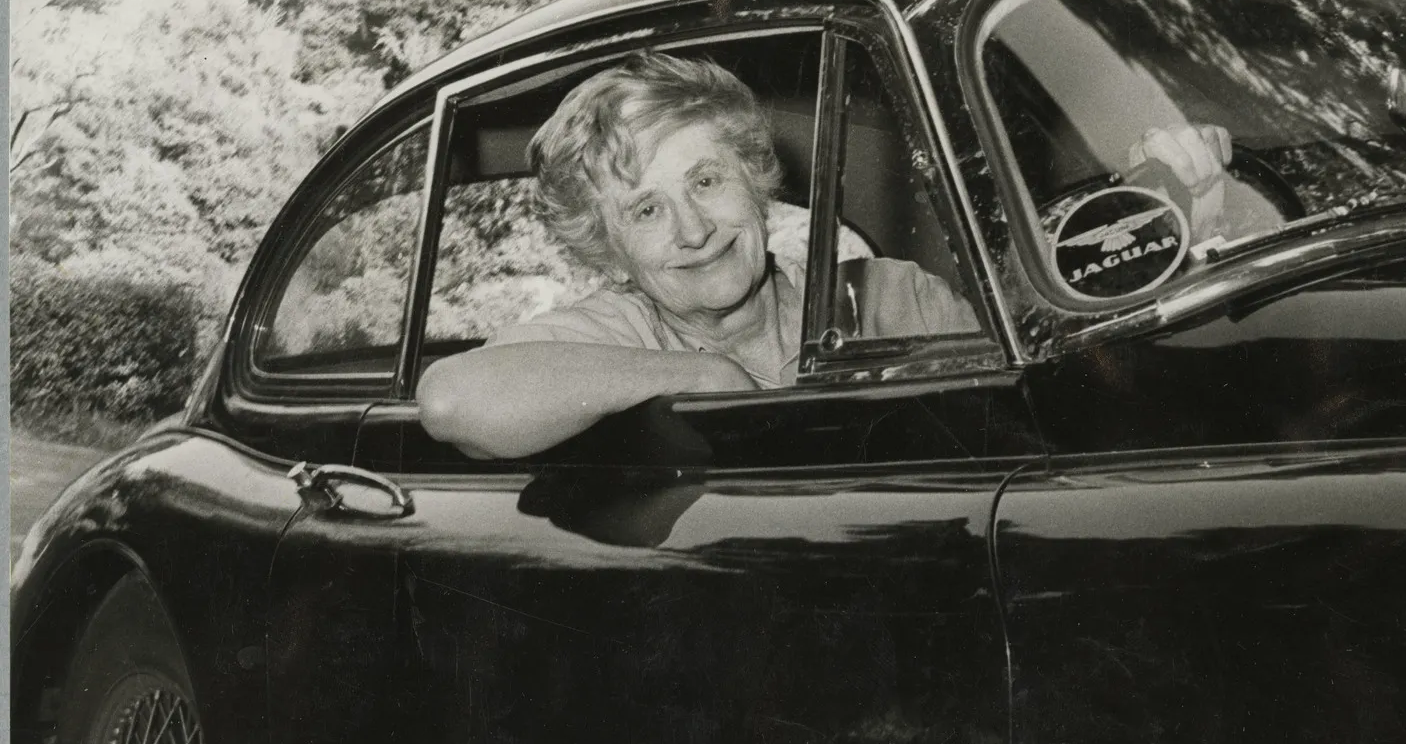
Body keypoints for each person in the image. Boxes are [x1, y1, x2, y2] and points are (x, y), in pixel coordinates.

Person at [419, 51, 1231, 459]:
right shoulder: (618, 330)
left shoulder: (885, 295)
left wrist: (1174, 232)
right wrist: (696, 376)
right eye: (644, 209)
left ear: (756, 177)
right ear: (612, 250)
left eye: (705, 179)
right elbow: (456, 401)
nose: (693, 229)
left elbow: (1050, 406)